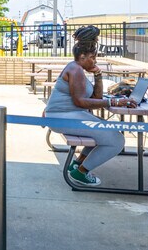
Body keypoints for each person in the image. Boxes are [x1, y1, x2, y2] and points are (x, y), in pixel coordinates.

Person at [44, 26, 137, 186]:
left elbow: (96, 98)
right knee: (116, 140)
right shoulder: (75, 70)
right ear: (82, 56)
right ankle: (81, 173)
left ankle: (78, 163)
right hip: (62, 118)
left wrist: (98, 74)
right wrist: (114, 101)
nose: (95, 61)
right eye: (93, 57)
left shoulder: (78, 68)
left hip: (68, 115)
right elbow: (80, 102)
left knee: (107, 132)